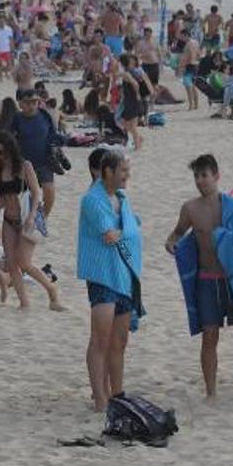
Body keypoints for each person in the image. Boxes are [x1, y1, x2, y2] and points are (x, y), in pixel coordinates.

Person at [164, 154, 233, 400]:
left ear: (216, 176)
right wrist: (171, 244)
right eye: (197, 176)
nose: (200, 181)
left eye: (205, 175)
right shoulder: (190, 209)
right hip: (207, 279)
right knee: (210, 336)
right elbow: (176, 234)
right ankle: (211, 391)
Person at [77, 150, 143, 411]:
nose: (128, 175)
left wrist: (125, 232)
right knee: (100, 339)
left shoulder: (122, 198)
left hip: (124, 274)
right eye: (123, 170)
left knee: (120, 341)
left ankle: (117, 394)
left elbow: (127, 234)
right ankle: (100, 399)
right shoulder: (92, 200)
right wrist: (128, 231)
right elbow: (110, 233)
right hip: (102, 276)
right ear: (108, 172)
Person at [0, 132, 61, 310]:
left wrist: (32, 216)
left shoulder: (24, 165)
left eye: (2, 152)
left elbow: (37, 193)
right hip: (9, 220)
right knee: (12, 264)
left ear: (10, 149)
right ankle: (24, 303)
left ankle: (51, 290)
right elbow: (2, 199)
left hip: (26, 219)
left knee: (25, 263)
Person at [6, 88, 62, 219]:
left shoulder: (45, 116)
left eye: (34, 102)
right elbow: (9, 139)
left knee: (49, 191)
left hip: (45, 161)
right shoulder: (17, 118)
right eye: (27, 102)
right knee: (25, 195)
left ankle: (43, 218)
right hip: (24, 163)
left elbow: (53, 135)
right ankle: (26, 218)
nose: (31, 105)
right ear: (20, 104)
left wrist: (57, 147)